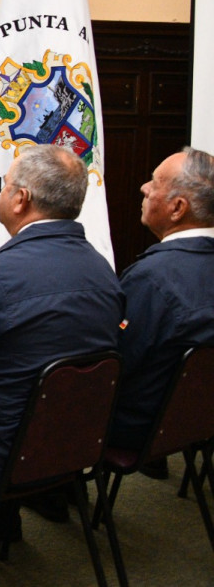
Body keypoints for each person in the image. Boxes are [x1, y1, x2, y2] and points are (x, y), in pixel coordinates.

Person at [0, 144, 123, 536]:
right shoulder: (105, 273)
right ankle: (0, 512)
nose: (2, 194)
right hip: (74, 444)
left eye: (4, 186)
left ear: (20, 199)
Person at [110, 147, 214, 455]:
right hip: (198, 422)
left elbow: (115, 362)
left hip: (141, 426)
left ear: (178, 207)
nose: (144, 187)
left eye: (155, 182)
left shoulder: (151, 280)